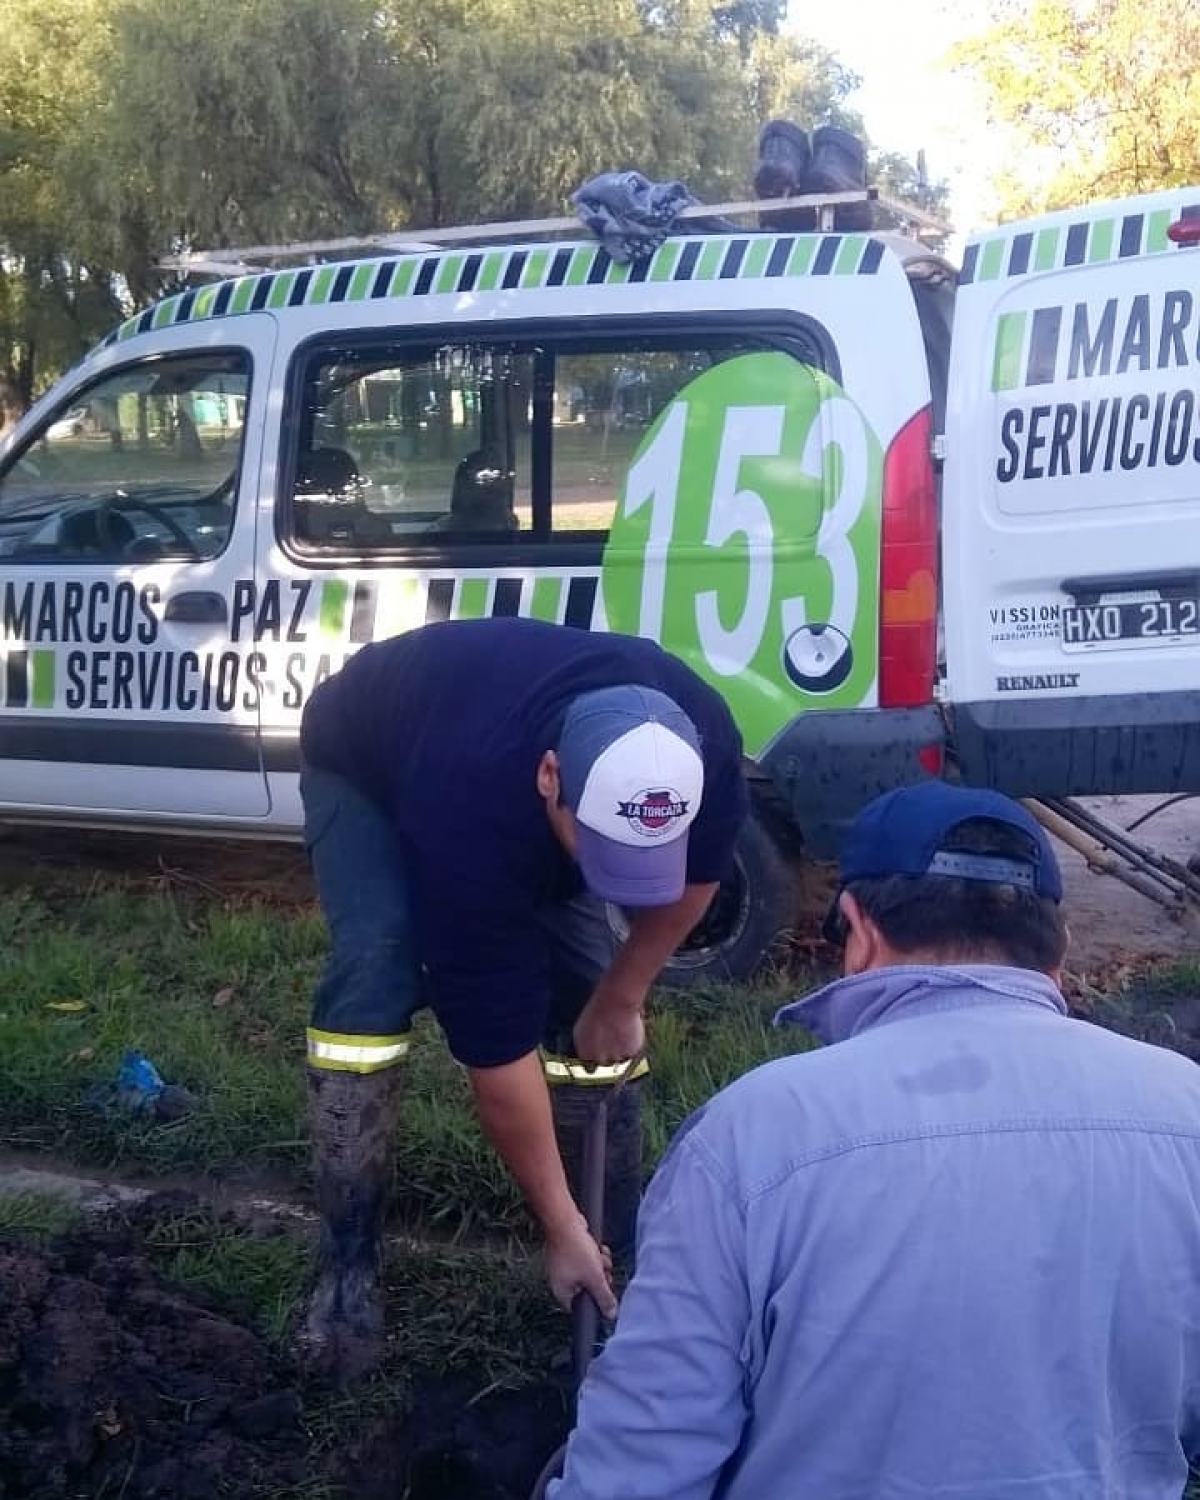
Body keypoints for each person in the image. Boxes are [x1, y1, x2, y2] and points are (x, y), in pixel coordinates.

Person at [549, 781, 1200, 1500]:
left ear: (857, 933)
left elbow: (643, 1463)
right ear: (1060, 951)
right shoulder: (1186, 1113)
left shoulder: (750, 1136)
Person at [294, 616, 748, 1382]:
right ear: (549, 779)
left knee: (586, 992)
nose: (613, 881)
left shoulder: (700, 740)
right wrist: (555, 1222)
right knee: (380, 966)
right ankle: (348, 1265)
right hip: (365, 753)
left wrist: (620, 994)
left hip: (497, 755)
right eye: (599, 847)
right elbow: (496, 1056)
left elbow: (696, 880)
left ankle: (617, 1254)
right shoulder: (466, 806)